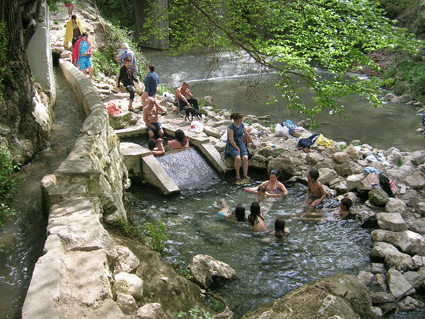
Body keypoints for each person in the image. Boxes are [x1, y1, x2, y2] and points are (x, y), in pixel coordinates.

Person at [224, 112, 256, 180]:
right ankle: (237, 175)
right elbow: (231, 140)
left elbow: (247, 134)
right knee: (238, 158)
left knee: (245, 158)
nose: (242, 120)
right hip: (233, 144)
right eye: (240, 118)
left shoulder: (241, 124)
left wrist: (252, 142)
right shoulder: (231, 127)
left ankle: (245, 175)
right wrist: (237, 148)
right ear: (236, 119)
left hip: (240, 142)